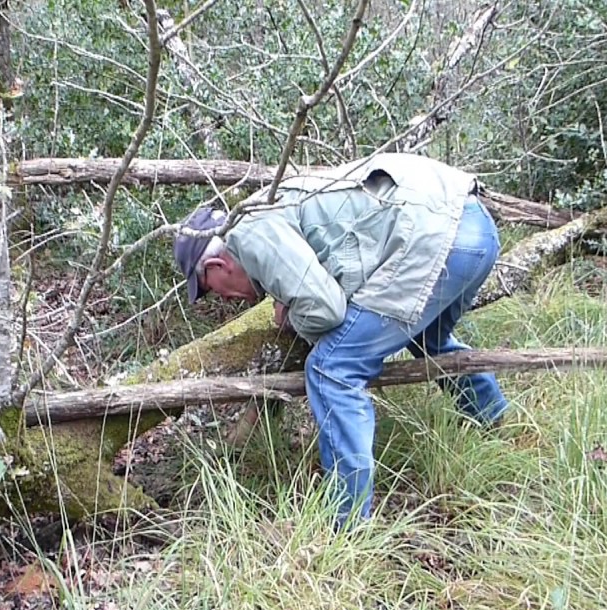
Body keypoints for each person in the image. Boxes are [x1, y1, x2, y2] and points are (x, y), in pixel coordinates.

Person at [172, 153, 508, 527]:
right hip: (475, 228)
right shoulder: (265, 208)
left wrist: (294, 316)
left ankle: (346, 524)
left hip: (436, 238)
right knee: (430, 339)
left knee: (331, 369)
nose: (223, 299)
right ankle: (496, 423)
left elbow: (326, 310)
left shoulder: (247, 233)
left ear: (217, 266)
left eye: (210, 289)